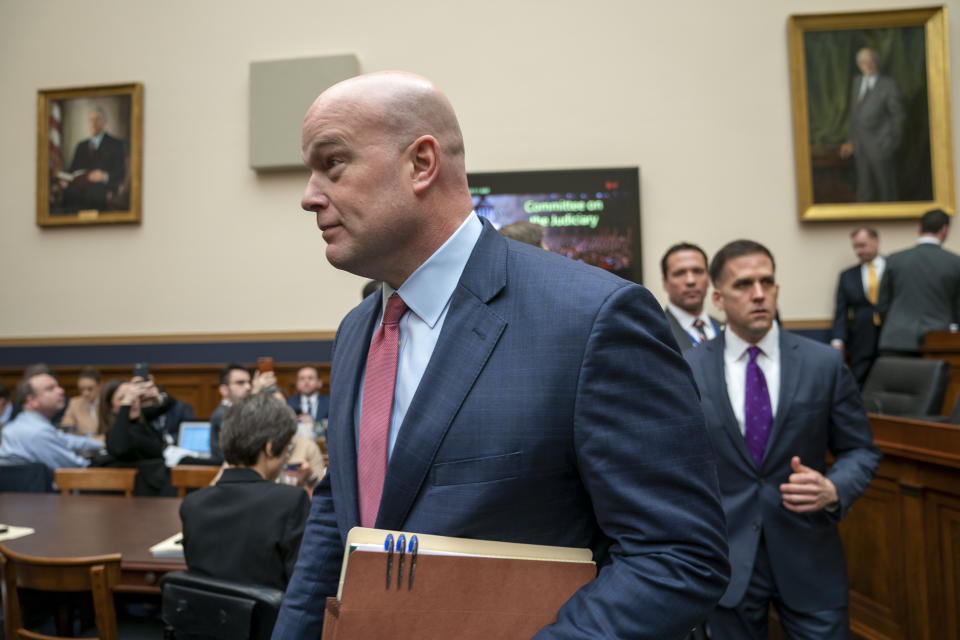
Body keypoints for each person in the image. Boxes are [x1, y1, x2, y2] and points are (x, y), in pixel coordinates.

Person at [272, 71, 729, 639]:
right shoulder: (357, 332)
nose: (309, 195)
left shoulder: (593, 319)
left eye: (332, 162)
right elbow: (341, 513)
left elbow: (677, 556)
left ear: (421, 164)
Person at [684, 240, 880, 639]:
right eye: (743, 285)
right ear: (718, 297)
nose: (758, 293)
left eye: (767, 282)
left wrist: (834, 487)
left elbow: (859, 449)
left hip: (811, 558)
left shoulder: (823, 363)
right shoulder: (688, 369)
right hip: (726, 562)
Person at [180, 391, 310, 591]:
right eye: (287, 448)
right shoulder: (291, 502)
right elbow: (302, 586)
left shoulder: (192, 504)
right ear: (271, 448)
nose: (286, 457)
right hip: (269, 621)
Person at [878, 209, 960, 354]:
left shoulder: (894, 259)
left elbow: (882, 304)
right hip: (939, 341)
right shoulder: (955, 262)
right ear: (944, 230)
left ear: (919, 229)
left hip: (896, 340)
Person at [839, 47, 905, 203]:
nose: (866, 65)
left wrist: (890, 142)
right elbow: (854, 116)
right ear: (858, 64)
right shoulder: (856, 83)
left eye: (869, 61)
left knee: (886, 190)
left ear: (876, 62)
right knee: (864, 191)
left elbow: (898, 116)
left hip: (881, 147)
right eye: (862, 62)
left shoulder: (888, 85)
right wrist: (851, 141)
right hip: (860, 147)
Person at [0, 372, 102, 472]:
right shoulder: (37, 432)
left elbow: (63, 440)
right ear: (32, 401)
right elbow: (75, 467)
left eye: (58, 386)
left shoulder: (25, 422)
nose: (61, 391)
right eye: (50, 389)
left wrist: (100, 442)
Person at [100, 376, 179, 496]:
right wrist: (126, 405)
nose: (132, 401)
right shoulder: (116, 432)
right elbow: (121, 448)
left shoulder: (139, 418)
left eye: (133, 396)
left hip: (162, 486)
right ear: (110, 407)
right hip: (144, 497)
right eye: (122, 398)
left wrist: (156, 396)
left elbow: (170, 403)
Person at [830, 227, 884, 386]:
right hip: (861, 339)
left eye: (862, 245)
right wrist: (837, 340)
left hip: (890, 337)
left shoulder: (893, 268)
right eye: (855, 247)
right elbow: (841, 310)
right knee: (859, 382)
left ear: (876, 242)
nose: (859, 251)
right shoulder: (847, 275)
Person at [59, 107, 127, 212]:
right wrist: (64, 178)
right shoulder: (81, 146)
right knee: (68, 193)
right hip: (78, 189)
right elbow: (72, 170)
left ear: (103, 122)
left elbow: (120, 174)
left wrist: (104, 176)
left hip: (99, 190)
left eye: (97, 120)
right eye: (91, 120)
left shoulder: (115, 144)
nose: (93, 123)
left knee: (96, 194)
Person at [209, 363, 275, 464]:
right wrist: (255, 394)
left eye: (249, 382)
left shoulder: (244, 409)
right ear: (224, 390)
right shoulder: (221, 414)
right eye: (240, 383)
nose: (248, 387)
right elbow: (243, 434)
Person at [661, 242, 723, 351]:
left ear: (708, 279)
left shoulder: (726, 330)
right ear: (665, 282)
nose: (691, 281)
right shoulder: (655, 333)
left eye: (698, 271)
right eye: (679, 273)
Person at [286, 365, 330, 438]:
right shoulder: (288, 403)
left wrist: (315, 424)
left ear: (319, 383)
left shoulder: (330, 403)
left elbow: (335, 427)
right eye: (302, 378)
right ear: (297, 384)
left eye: (310, 378)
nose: (306, 382)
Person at [60, 367, 101, 435]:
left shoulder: (107, 402)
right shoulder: (74, 403)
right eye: (82, 389)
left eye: (90, 389)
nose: (86, 393)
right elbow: (66, 427)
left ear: (99, 386)